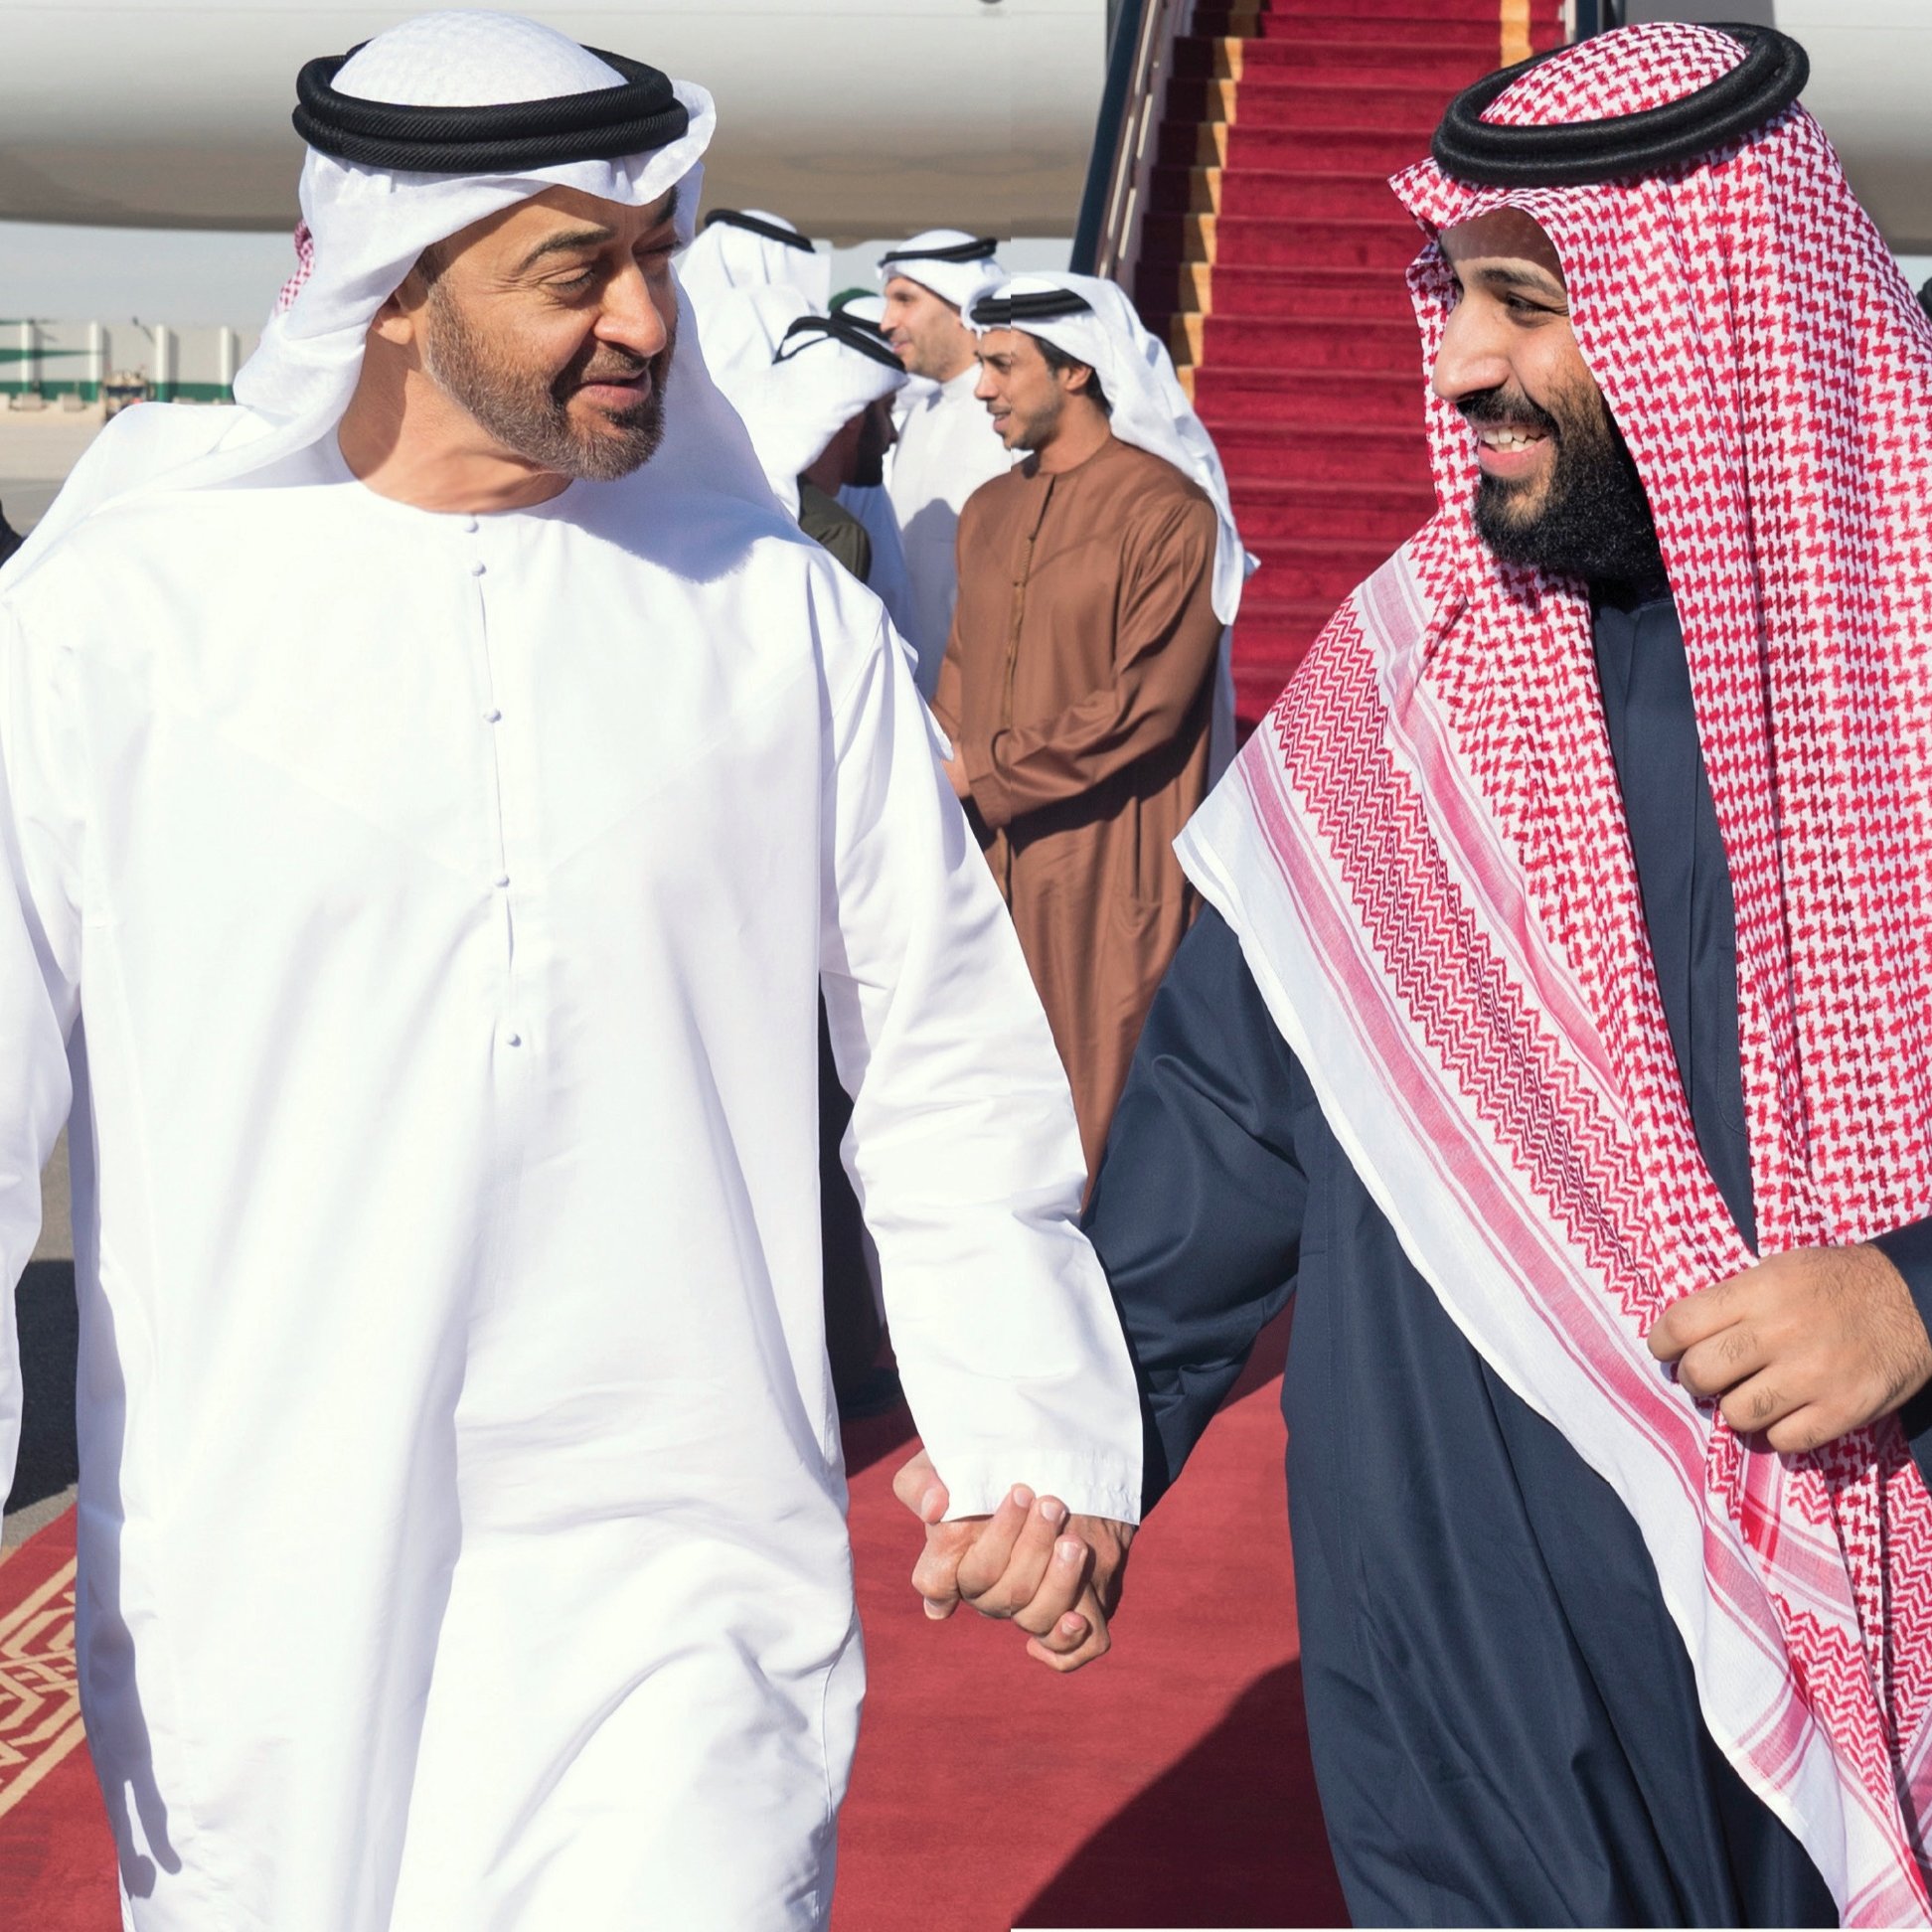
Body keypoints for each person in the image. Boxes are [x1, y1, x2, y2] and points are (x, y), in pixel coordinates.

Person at [0, 14, 1144, 1926]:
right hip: (265, 1564)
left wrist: (1025, 1422)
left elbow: (943, 1054)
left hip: (684, 1547)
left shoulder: (777, 622)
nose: (639, 317)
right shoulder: (117, 629)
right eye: (570, 270)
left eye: (653, 258)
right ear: (384, 289)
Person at [925, 22, 1932, 1926]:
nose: (1459, 361)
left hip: (1863, 1617)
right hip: (1464, 1647)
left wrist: (1910, 1292)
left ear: (1703, 316)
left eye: (1524, 306)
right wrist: (1075, 1442)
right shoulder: (1400, 687)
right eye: (1451, 296)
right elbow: (1232, 1112)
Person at [931, 276, 1226, 1181]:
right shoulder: (987, 512)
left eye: (1004, 365)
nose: (982, 387)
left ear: (1077, 372)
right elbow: (957, 681)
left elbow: (1147, 707)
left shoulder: (1167, 512)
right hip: (985, 865)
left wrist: (978, 771)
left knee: (1093, 1124)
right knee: (980, 1113)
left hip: (1107, 871)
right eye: (981, 364)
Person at [877, 230, 1012, 692]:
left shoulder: (1015, 419)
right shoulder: (917, 415)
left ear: (961, 306)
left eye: (904, 300)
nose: (886, 322)